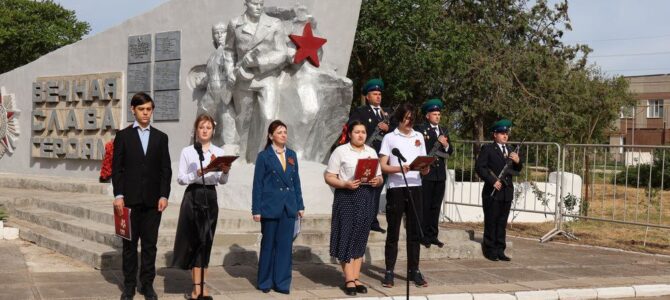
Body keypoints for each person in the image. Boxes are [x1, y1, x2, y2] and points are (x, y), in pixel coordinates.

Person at [112, 92, 172, 300]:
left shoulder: (161, 138)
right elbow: (117, 169)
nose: (146, 113)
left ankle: (147, 285)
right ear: (133, 110)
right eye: (141, 109)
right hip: (128, 201)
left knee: (149, 245)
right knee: (129, 246)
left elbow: (166, 169)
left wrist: (164, 195)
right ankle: (129, 286)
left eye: (149, 109)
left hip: (153, 202)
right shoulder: (123, 136)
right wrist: (118, 195)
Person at [172, 114, 232, 300]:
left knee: (207, 239)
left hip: (210, 196)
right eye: (201, 127)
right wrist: (196, 173)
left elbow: (221, 181)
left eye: (208, 128)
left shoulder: (219, 152)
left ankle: (202, 284)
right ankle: (196, 286)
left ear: (213, 130)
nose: (205, 130)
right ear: (196, 130)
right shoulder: (188, 151)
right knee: (195, 240)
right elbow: (181, 178)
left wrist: (225, 171)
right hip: (193, 195)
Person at [223, 0, 289, 162]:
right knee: (243, 120)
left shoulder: (274, 24)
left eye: (261, 3)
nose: (259, 7)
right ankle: (243, 156)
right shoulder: (235, 24)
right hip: (243, 78)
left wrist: (259, 62)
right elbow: (229, 51)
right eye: (254, 3)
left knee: (268, 117)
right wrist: (230, 71)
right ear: (246, 3)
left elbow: (282, 52)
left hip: (266, 76)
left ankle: (261, 158)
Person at [325, 120, 384, 296]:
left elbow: (380, 177)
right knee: (346, 236)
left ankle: (356, 278)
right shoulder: (341, 151)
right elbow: (329, 176)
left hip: (366, 198)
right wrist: (344, 183)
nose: (360, 135)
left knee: (360, 237)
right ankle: (348, 279)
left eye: (363, 132)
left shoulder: (371, 152)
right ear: (350, 133)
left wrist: (377, 181)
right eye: (357, 132)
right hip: (346, 197)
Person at [378, 102, 430, 288]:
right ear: (399, 118)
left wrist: (425, 168)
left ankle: (413, 270)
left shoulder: (419, 137)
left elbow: (424, 163)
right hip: (396, 187)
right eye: (405, 118)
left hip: (415, 186)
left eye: (411, 118)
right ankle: (389, 271)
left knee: (414, 231)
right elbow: (383, 165)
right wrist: (400, 168)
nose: (409, 122)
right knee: (393, 231)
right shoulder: (390, 138)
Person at [252, 120, 305, 294]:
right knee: (268, 245)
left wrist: (300, 204)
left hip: (288, 206)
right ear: (271, 135)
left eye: (285, 132)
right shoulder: (264, 156)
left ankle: (282, 283)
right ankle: (265, 281)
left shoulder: (291, 155)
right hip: (270, 206)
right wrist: (256, 209)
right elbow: (258, 184)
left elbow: (296, 181)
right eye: (280, 132)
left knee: (284, 247)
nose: (283, 135)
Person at [474, 119, 523, 262]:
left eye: (506, 133)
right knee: (491, 220)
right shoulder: (488, 149)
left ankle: (500, 249)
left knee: (502, 222)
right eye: (502, 133)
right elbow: (480, 167)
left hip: (506, 192)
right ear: (495, 135)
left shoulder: (511, 150)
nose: (505, 136)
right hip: (492, 191)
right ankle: (490, 250)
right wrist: (492, 181)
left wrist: (518, 161)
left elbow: (517, 170)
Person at [348, 78, 391, 233]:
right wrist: (376, 126)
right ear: (368, 96)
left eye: (379, 94)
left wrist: (387, 128)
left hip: (383, 157)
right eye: (375, 94)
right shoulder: (361, 112)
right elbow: (353, 129)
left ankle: (372, 220)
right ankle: (359, 219)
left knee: (376, 189)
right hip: (366, 155)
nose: (378, 96)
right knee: (363, 188)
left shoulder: (386, 114)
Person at [415, 99, 453, 248]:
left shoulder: (443, 131)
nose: (437, 116)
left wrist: (446, 144)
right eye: (434, 114)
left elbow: (450, 152)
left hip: (439, 174)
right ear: (427, 116)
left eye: (439, 114)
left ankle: (433, 235)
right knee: (425, 205)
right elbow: (418, 148)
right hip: (426, 172)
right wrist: (435, 142)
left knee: (436, 206)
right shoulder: (420, 130)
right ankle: (422, 235)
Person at [196, 23, 238, 147]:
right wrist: (201, 82)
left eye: (223, 32)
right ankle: (198, 147)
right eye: (216, 32)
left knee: (227, 121)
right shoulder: (212, 55)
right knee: (202, 119)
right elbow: (210, 76)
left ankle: (229, 149)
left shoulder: (230, 52)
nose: (219, 35)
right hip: (210, 93)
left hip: (224, 92)